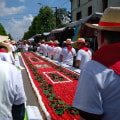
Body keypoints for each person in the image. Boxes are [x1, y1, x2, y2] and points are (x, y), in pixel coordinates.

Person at [73, 7, 120, 120]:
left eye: (97, 32)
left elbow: (87, 116)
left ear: (102, 37)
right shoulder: (89, 53)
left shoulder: (93, 68)